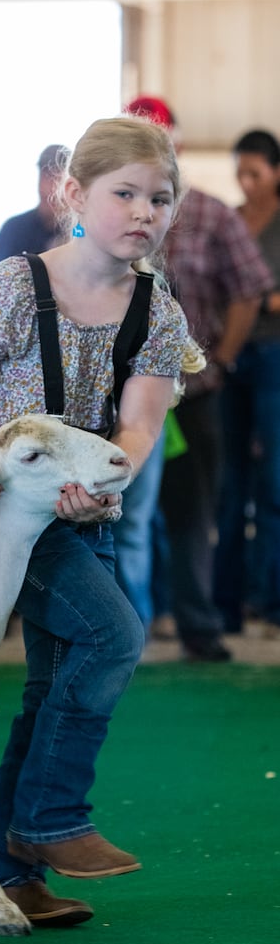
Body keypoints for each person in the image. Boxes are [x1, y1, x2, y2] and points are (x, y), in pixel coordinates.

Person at [0, 116, 202, 927]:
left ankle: (10, 882)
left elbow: (139, 426)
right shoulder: (13, 288)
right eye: (124, 194)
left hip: (86, 518)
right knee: (116, 636)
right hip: (5, 518)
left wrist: (104, 479)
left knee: (48, 685)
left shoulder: (156, 311)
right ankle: (53, 820)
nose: (143, 212)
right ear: (74, 195)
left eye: (159, 199)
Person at [114, 96, 274, 659]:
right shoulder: (104, 217)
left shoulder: (210, 214)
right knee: (122, 515)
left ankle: (197, 626)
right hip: (123, 394)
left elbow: (249, 290)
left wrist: (222, 359)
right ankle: (124, 629)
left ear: (176, 147)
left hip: (195, 395)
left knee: (194, 511)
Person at [214, 129, 280, 634]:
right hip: (230, 356)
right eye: (240, 172)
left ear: (276, 172)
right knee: (230, 484)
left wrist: (257, 300)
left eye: (254, 173)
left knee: (274, 483)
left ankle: (270, 600)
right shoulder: (231, 222)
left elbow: (251, 295)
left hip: (275, 358)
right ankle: (228, 606)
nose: (245, 182)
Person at [0, 144, 70, 269]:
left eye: (59, 179)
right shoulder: (14, 228)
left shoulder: (82, 231)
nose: (52, 190)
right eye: (47, 177)